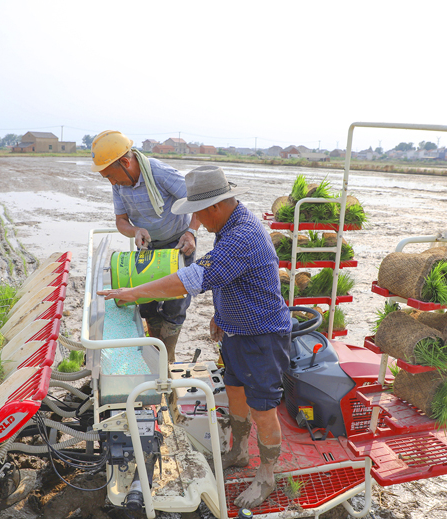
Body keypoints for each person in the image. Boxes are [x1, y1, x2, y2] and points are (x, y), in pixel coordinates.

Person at [98, 165, 292, 510]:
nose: (197, 221)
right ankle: (238, 451)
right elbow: (230, 279)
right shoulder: (228, 225)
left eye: (198, 214)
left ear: (214, 206)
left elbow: (191, 279)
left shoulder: (242, 236)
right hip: (236, 331)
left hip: (261, 335)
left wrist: (134, 292)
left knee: (263, 407)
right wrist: (221, 315)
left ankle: (266, 474)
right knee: (234, 390)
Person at [91, 131, 199, 362]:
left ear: (125, 162)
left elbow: (199, 202)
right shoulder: (119, 183)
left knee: (174, 304)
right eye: (106, 178)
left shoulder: (160, 173)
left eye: (111, 175)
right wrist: (135, 231)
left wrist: (191, 232)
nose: (111, 182)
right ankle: (154, 352)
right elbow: (121, 221)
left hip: (177, 245)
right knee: (146, 303)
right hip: (149, 247)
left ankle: (166, 358)